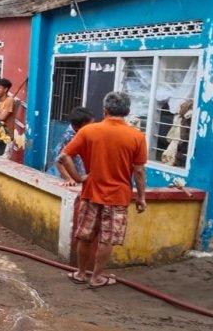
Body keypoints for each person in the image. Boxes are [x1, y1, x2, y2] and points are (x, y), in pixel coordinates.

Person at [59, 92, 147, 289]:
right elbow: (139, 171)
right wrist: (141, 197)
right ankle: (97, 277)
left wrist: (79, 178)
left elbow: (64, 157)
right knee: (107, 239)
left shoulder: (88, 131)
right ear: (127, 111)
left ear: (105, 110)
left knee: (85, 235)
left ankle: (81, 274)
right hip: (118, 196)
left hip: (91, 192)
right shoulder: (137, 136)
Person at [47, 107, 94, 181]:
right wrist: (69, 179)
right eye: (89, 125)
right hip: (70, 179)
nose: (92, 127)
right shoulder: (69, 137)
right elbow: (58, 161)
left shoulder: (80, 133)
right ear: (77, 127)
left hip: (80, 175)